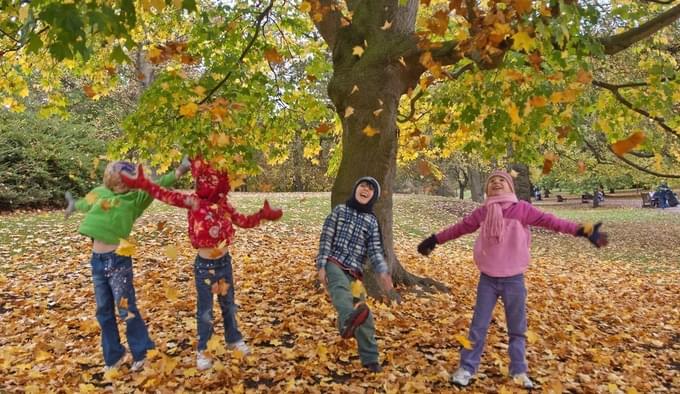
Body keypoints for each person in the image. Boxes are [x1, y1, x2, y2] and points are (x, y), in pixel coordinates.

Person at [416, 170, 608, 389]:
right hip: (487, 279)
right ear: (487, 190)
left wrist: (582, 230)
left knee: (517, 327)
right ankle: (467, 368)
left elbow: (551, 221)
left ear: (510, 188)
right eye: (492, 181)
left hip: (514, 279)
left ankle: (519, 370)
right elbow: (460, 228)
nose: (497, 183)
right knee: (478, 326)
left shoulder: (522, 210)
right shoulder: (483, 212)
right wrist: (434, 239)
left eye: (502, 181)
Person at [121, 157, 282, 371]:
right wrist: (145, 184)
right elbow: (166, 195)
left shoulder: (224, 205)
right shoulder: (193, 202)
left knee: (229, 305)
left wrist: (262, 216)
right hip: (204, 266)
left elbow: (242, 221)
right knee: (205, 311)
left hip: (224, 263)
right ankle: (204, 349)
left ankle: (234, 338)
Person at [65, 159, 190, 372]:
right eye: (118, 182)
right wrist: (73, 205)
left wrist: (180, 170)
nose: (122, 186)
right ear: (109, 180)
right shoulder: (101, 192)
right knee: (103, 311)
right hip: (97, 261)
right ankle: (113, 356)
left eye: (126, 182)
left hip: (118, 261)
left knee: (125, 309)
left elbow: (157, 184)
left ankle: (142, 352)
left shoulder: (136, 197)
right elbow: (85, 203)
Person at [316, 177, 401, 373]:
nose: (365, 189)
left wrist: (383, 272)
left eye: (371, 189)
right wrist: (321, 266)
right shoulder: (339, 211)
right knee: (340, 293)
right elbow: (325, 238)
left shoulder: (371, 221)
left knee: (364, 314)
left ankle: (370, 359)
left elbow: (375, 251)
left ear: (373, 197)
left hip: (355, 273)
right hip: (334, 263)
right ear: (355, 189)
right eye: (362, 185)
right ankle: (347, 322)